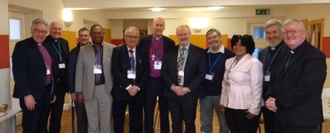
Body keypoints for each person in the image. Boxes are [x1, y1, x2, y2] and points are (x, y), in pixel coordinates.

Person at [265, 19, 327, 133]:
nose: (289, 35)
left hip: (301, 120)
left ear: (304, 34)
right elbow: (275, 79)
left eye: (293, 31)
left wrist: (278, 103)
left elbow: (306, 88)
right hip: (280, 117)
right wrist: (269, 97)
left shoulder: (315, 56)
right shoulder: (284, 53)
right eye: (286, 32)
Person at [12, 18, 56, 133]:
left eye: (43, 32)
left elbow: (51, 70)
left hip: (46, 93)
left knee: (42, 126)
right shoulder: (22, 46)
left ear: (46, 33)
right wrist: (26, 94)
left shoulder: (47, 46)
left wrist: (52, 91)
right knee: (30, 127)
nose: (40, 34)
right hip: (31, 95)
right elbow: (19, 73)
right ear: (31, 31)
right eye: (37, 30)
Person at [161, 25, 205, 133]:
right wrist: (173, 87)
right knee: (176, 123)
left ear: (190, 34)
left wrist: (188, 88)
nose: (183, 37)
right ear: (177, 36)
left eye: (185, 34)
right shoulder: (169, 51)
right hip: (172, 94)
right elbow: (164, 72)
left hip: (190, 95)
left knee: (189, 124)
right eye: (180, 34)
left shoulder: (200, 52)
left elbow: (201, 74)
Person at [75, 24, 116, 133]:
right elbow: (79, 71)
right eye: (94, 33)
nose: (97, 35)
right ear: (91, 35)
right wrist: (78, 91)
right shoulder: (83, 50)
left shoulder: (112, 49)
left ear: (103, 34)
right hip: (88, 90)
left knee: (106, 121)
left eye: (99, 33)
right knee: (92, 121)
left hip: (106, 89)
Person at [138, 17, 175, 133]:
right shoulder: (144, 40)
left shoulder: (170, 42)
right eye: (156, 25)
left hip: (164, 81)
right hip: (149, 81)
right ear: (152, 26)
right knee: (148, 111)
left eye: (161, 25)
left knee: (164, 111)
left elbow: (172, 63)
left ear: (164, 27)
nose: (159, 27)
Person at [220, 34, 263, 133]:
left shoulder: (254, 63)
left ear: (248, 46)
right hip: (230, 104)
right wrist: (223, 101)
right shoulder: (229, 61)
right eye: (235, 44)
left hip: (246, 107)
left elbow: (257, 87)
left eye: (241, 45)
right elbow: (224, 83)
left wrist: (254, 108)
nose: (237, 47)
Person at [112, 26, 149, 133]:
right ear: (125, 37)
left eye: (135, 37)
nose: (132, 39)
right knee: (118, 121)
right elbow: (115, 71)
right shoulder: (117, 51)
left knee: (136, 123)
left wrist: (137, 87)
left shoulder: (143, 52)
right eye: (129, 36)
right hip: (121, 91)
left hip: (137, 92)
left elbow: (147, 71)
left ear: (138, 39)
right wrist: (128, 87)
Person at [200, 28, 235, 133]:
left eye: (214, 37)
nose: (212, 40)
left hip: (222, 95)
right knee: (205, 122)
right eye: (209, 38)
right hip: (205, 95)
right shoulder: (204, 53)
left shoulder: (230, 54)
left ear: (220, 37)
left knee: (224, 124)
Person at [258, 19, 285, 133]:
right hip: (265, 98)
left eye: (274, 32)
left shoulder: (288, 51)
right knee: (269, 128)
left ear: (281, 33)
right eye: (268, 33)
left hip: (281, 99)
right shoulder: (262, 52)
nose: (271, 36)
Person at [43, 21, 70, 133]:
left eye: (59, 29)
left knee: (57, 115)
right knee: (44, 115)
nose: (57, 31)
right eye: (55, 28)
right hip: (49, 85)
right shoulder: (44, 42)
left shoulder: (64, 42)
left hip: (61, 85)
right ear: (50, 29)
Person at [68, 27, 90, 133]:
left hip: (92, 91)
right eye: (81, 35)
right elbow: (70, 73)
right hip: (79, 91)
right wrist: (73, 91)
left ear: (89, 36)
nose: (83, 38)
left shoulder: (96, 49)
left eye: (85, 35)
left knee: (92, 118)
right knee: (81, 118)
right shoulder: (73, 52)